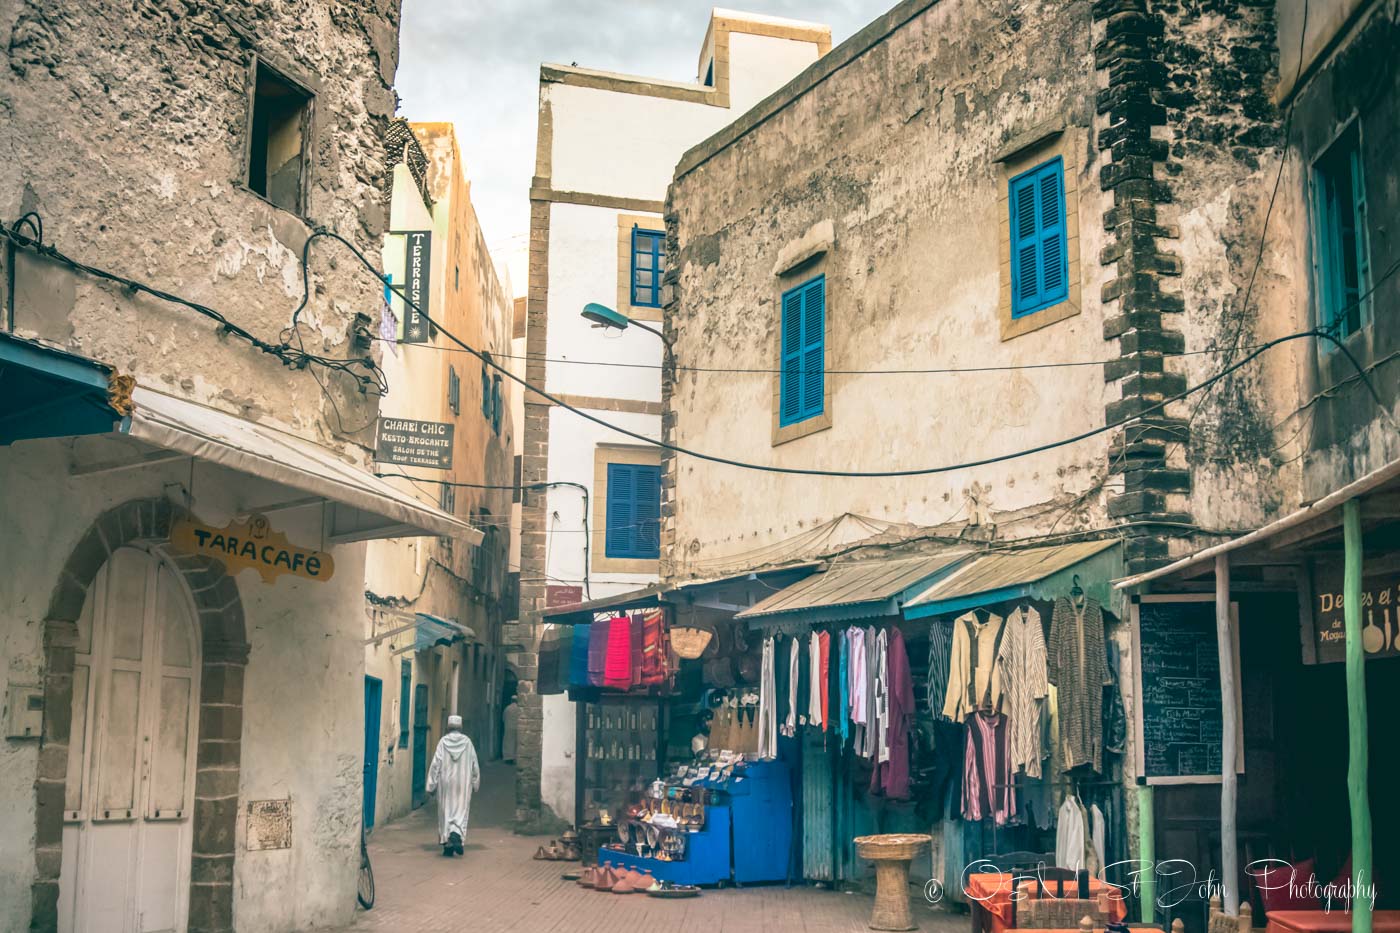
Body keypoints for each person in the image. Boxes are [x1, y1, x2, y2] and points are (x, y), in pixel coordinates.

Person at [426, 714, 479, 857]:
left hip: (446, 783)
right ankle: (456, 835)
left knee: (446, 811)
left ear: (448, 727)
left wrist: (431, 785)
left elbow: (436, 763)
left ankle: (447, 842)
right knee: (461, 810)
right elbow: (474, 764)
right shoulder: (468, 742)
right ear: (461, 727)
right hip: (463, 782)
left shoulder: (443, 742)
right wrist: (475, 782)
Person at [501, 698, 519, 763]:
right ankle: (515, 758)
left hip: (508, 728)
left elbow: (503, 718)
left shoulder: (507, 708)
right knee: (516, 743)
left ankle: (508, 758)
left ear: (511, 700)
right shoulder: (519, 709)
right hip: (517, 728)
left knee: (508, 743)